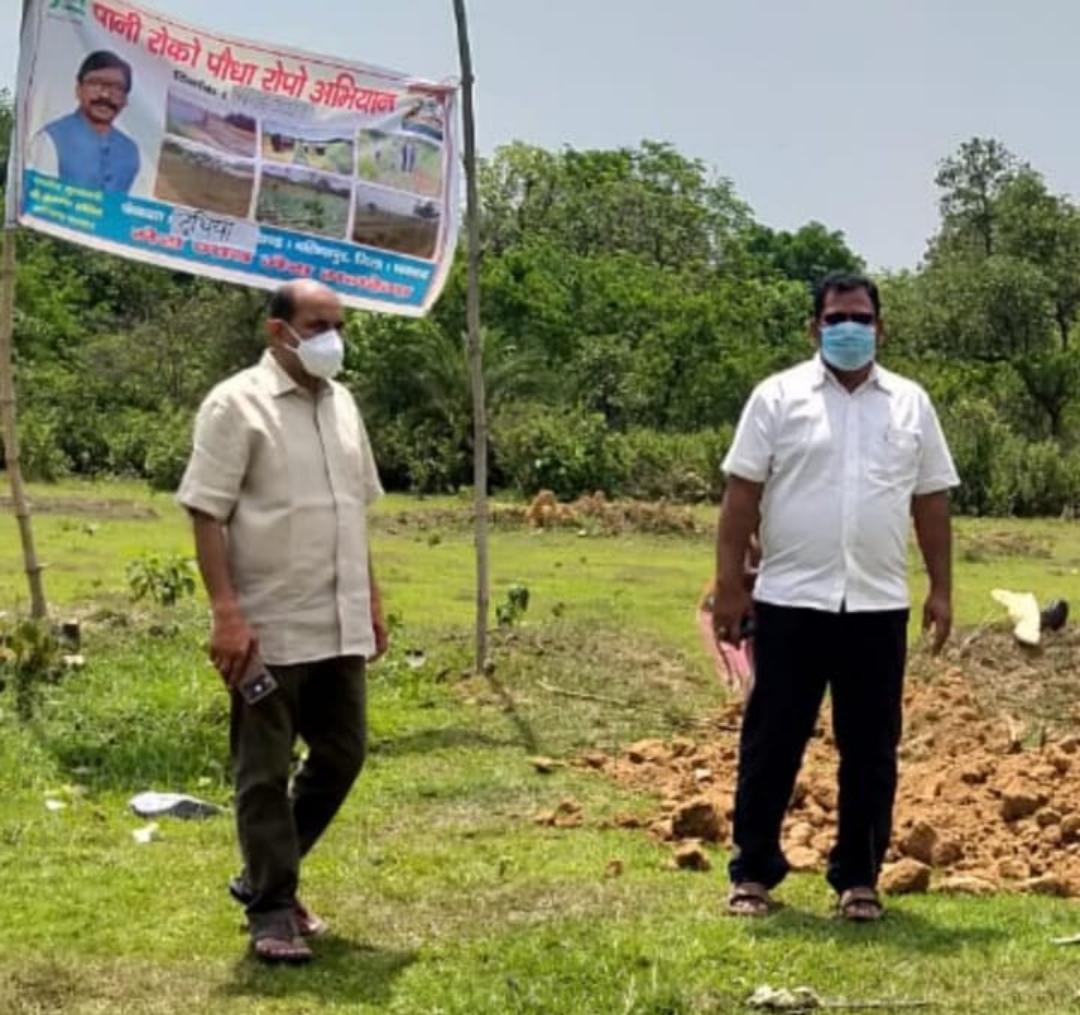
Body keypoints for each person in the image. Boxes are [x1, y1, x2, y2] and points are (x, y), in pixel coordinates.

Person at [713, 272, 959, 922]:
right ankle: (753, 873)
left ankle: (859, 878)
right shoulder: (776, 398)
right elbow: (740, 498)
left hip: (877, 606)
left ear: (881, 327)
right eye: (835, 318)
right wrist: (729, 586)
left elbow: (930, 501)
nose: (848, 329)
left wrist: (941, 587)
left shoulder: (910, 404)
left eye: (860, 317)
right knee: (773, 739)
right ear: (813, 327)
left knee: (872, 747)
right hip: (792, 600)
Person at [177, 280, 388, 964]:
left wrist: (373, 598)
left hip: (337, 617)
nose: (333, 337)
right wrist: (226, 614)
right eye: (317, 323)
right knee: (263, 770)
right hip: (267, 622)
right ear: (278, 331)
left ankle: (266, 872)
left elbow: (353, 511)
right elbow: (206, 512)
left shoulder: (344, 405)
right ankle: (272, 910)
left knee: (342, 754)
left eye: (339, 324)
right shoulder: (235, 404)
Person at [30, 50, 140, 192]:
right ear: (78, 89)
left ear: (125, 100)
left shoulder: (130, 151)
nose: (105, 95)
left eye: (117, 87)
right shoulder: (50, 138)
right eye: (95, 83)